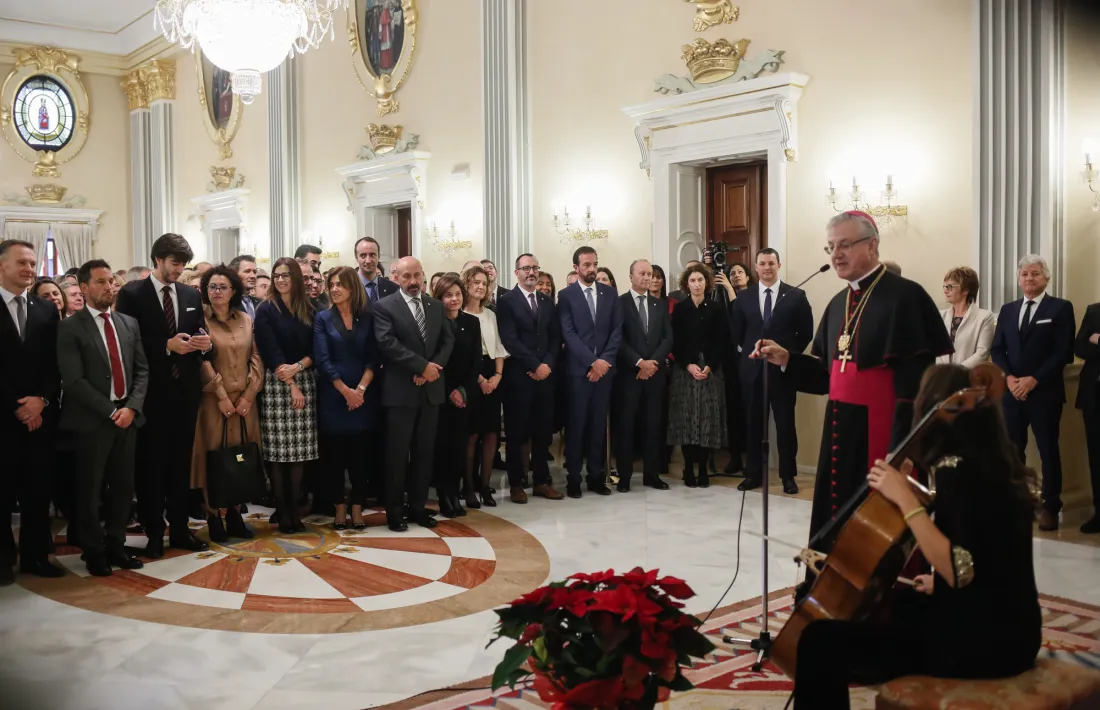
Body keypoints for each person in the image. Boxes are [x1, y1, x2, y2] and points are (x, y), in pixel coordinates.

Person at [793, 364, 1041, 710]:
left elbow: (959, 568)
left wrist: (906, 499)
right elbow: (990, 555)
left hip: (979, 645)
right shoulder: (997, 465)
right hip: (1017, 632)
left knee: (819, 640)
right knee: (888, 607)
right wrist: (936, 581)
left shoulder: (957, 471)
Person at [751, 212, 953, 539]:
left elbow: (914, 385)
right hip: (841, 430)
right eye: (830, 247)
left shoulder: (905, 297)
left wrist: (901, 448)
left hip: (883, 432)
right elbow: (826, 377)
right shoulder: (838, 303)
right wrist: (786, 358)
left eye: (844, 245)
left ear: (871, 245)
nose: (835, 254)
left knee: (878, 533)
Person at [116, 233, 213, 558]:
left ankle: (181, 529)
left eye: (183, 264)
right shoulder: (132, 294)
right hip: (150, 394)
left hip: (185, 393)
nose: (179, 270)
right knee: (151, 467)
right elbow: (126, 342)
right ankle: (154, 532)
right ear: (158, 259)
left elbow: (198, 328)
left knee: (179, 465)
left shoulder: (188, 292)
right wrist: (164, 345)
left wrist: (204, 343)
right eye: (174, 263)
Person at [57, 260, 149, 576]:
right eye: (100, 282)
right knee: (90, 490)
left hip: (127, 417)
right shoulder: (69, 327)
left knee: (123, 488)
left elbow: (141, 370)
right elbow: (74, 381)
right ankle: (93, 551)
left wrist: (131, 408)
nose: (109, 287)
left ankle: (116, 545)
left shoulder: (128, 323)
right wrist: (111, 410)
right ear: (83, 288)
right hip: (93, 420)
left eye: (111, 281)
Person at [991, 255, 1075, 531]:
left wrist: (1034, 380)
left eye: (1035, 274)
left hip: (1044, 394)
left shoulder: (1060, 308)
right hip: (1011, 393)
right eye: (1024, 274)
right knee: (1013, 452)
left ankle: (1051, 506)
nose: (1029, 278)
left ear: (1046, 278)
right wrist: (1012, 379)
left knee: (1048, 451)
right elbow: (997, 350)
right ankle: (1017, 502)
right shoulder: (1007, 310)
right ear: (1019, 279)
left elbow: (1063, 352)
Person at [373, 256, 454, 532]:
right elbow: (387, 343)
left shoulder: (434, 305)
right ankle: (395, 512)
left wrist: (432, 370)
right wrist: (421, 367)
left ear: (423, 275)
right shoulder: (384, 307)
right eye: (406, 277)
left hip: (431, 392)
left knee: (423, 453)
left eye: (417, 275)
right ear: (396, 278)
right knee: (397, 456)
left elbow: (447, 340)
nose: (412, 282)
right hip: (400, 393)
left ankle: (418, 507)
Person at [0, 240, 63, 583]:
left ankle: (36, 557)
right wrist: (16, 406)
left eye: (31, 262)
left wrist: (41, 400)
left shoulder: (44, 309)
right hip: (3, 417)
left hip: (41, 415)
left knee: (38, 491)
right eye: (21, 262)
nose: (29, 268)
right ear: (1, 266)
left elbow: (55, 363)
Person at [730, 248, 813, 494]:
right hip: (752, 372)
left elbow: (805, 333)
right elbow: (737, 334)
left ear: (779, 265)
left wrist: (785, 355)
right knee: (754, 425)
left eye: (771, 263)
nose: (767, 267)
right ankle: (753, 474)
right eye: (762, 263)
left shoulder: (796, 295)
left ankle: (788, 476)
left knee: (786, 425)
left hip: (783, 372)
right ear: (755, 267)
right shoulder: (743, 298)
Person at [190, 265, 262, 542]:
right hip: (213, 402)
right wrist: (220, 395)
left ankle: (235, 513)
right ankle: (213, 515)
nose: (217, 292)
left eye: (223, 287)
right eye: (212, 287)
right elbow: (201, 360)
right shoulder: (200, 319)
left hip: (244, 402)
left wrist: (249, 395)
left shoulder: (245, 318)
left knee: (241, 456)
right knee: (214, 458)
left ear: (234, 291)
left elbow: (256, 357)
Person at [254, 257, 317, 534]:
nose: (280, 280)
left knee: (300, 453)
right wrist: (291, 382)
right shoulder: (266, 309)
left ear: (295, 278)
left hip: (304, 377)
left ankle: (295, 510)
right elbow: (269, 348)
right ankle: (283, 511)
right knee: (278, 454)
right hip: (277, 383)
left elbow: (316, 347)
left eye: (285, 275)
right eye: (276, 275)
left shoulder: (308, 308)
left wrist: (300, 367)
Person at [314, 266, 378, 531]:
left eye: (340, 284)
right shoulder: (323, 318)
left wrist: (360, 391)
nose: (335, 289)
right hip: (333, 396)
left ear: (353, 287)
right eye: (332, 284)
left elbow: (374, 357)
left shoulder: (368, 317)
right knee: (334, 458)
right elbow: (322, 358)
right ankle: (339, 506)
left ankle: (357, 507)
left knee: (361, 457)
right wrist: (345, 391)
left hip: (363, 397)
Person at [498, 254, 565, 503]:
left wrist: (546, 364)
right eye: (526, 268)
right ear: (516, 273)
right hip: (519, 377)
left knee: (542, 433)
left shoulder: (547, 302)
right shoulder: (507, 301)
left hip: (545, 377)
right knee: (517, 434)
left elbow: (555, 338)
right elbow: (510, 338)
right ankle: (517, 484)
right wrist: (534, 365)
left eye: (535, 268)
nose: (531, 272)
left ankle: (541, 481)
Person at [558, 246, 622, 498]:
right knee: (576, 425)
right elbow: (569, 334)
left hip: (604, 372)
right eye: (586, 265)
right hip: (579, 372)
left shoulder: (610, 293)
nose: (592, 269)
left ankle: (596, 476)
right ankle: (574, 478)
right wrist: (591, 362)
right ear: (576, 267)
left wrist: (603, 361)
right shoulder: (566, 296)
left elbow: (617, 331)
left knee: (598, 426)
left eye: (594, 264)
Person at [613, 260, 673, 492]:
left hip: (655, 375)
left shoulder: (659, 305)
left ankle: (652, 474)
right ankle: (625, 476)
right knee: (626, 426)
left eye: (650, 274)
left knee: (653, 425)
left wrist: (653, 363)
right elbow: (618, 338)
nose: (647, 278)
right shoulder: (619, 303)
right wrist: (639, 362)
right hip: (629, 375)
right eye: (642, 273)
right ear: (631, 276)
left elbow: (668, 338)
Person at [667, 263, 728, 488]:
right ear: (686, 284)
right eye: (692, 280)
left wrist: (710, 366)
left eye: (700, 280)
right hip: (685, 370)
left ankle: (703, 468)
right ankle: (688, 468)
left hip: (710, 371)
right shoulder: (681, 309)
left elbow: (723, 341)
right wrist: (688, 365)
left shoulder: (716, 308)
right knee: (686, 420)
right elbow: (675, 341)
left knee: (706, 421)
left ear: (707, 283)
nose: (696, 284)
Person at [432, 274, 480, 518]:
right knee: (442, 448)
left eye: (458, 294)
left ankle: (455, 493)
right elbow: (435, 361)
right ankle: (443, 496)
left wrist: (463, 390)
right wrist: (449, 389)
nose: (454, 299)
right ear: (439, 298)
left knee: (459, 448)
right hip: (439, 396)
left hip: (463, 397)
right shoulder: (434, 322)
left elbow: (475, 362)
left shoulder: (471, 322)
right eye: (448, 295)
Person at [461, 266, 510, 505]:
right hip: (471, 376)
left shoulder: (491, 314)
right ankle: (468, 487)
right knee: (472, 434)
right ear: (467, 284)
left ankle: (485, 485)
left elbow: (499, 348)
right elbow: (463, 356)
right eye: (476, 282)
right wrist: (480, 379)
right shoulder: (459, 314)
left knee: (491, 433)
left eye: (484, 283)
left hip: (493, 374)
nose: (481, 286)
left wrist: (498, 376)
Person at [937, 266, 996, 368]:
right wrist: (943, 374)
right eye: (945, 286)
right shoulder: (940, 315)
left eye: (950, 286)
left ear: (965, 291)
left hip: (967, 377)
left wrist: (957, 372)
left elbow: (982, 353)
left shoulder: (984, 317)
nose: (945, 291)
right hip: (941, 377)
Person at [1075, 300, 1100, 534]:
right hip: (1094, 395)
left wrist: (1099, 339)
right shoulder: (1094, 310)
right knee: (1096, 457)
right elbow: (1080, 347)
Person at [355, 237, 399, 305]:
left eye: (372, 255)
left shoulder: (393, 288)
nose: (368, 261)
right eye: (363, 256)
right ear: (356, 258)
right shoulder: (348, 288)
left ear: (378, 257)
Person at [229, 254, 260, 320]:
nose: (253, 276)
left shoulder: (261, 304)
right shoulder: (227, 303)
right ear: (234, 274)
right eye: (247, 271)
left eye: (254, 272)